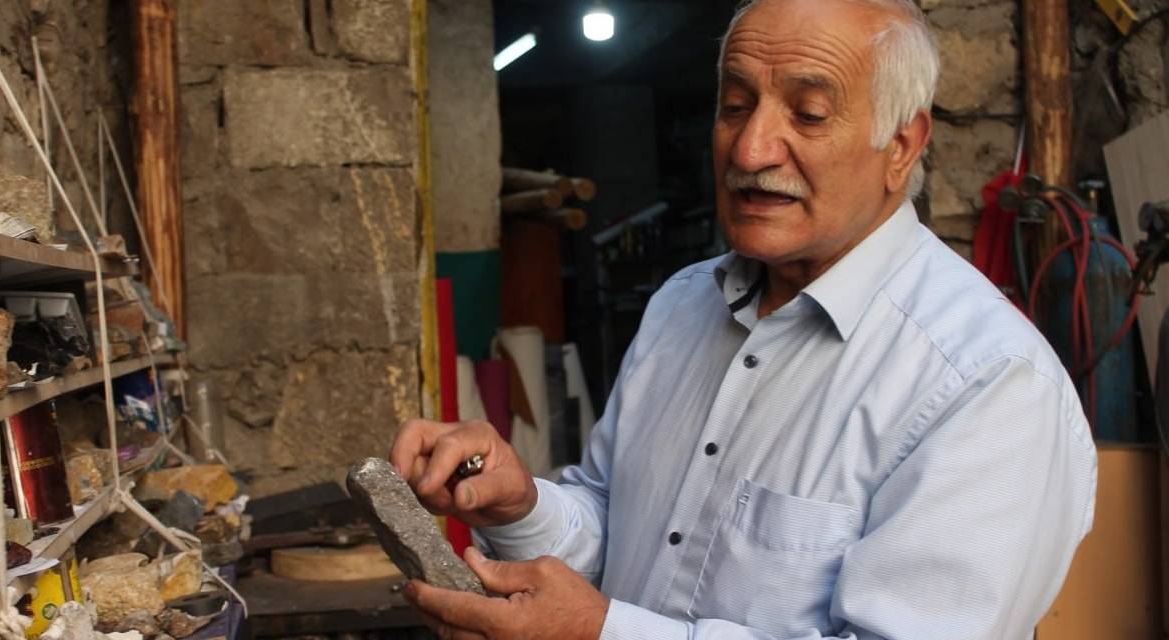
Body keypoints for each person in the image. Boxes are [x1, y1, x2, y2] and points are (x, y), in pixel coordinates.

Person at [390, 0, 1096, 637]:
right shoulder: (681, 307)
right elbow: (626, 538)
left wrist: (599, 635)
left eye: (808, 114)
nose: (751, 150)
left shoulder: (989, 384)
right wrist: (521, 508)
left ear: (903, 145)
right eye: (734, 105)